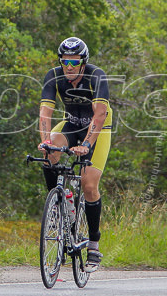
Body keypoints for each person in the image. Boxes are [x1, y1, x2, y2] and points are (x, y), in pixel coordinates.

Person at [37, 37, 112, 272]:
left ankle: (93, 244)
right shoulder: (54, 75)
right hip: (70, 124)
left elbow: (99, 116)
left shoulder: (96, 76)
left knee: (89, 185)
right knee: (49, 154)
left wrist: (87, 146)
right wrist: (45, 142)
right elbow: (44, 115)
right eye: (65, 61)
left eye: (74, 61)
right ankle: (58, 204)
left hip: (98, 129)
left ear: (83, 61)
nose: (69, 67)